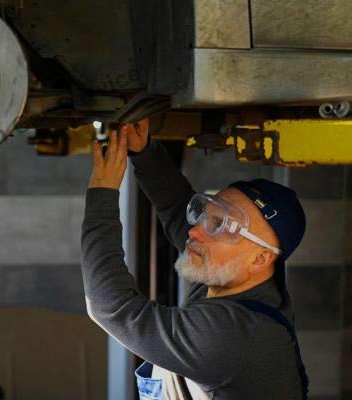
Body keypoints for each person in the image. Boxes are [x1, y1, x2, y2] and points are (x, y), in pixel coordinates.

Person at [81, 120, 308, 400]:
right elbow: (178, 207)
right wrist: (145, 152)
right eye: (204, 215)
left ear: (260, 258)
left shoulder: (232, 335)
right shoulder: (232, 277)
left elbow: (111, 307)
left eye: (221, 225)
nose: (195, 230)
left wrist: (102, 193)